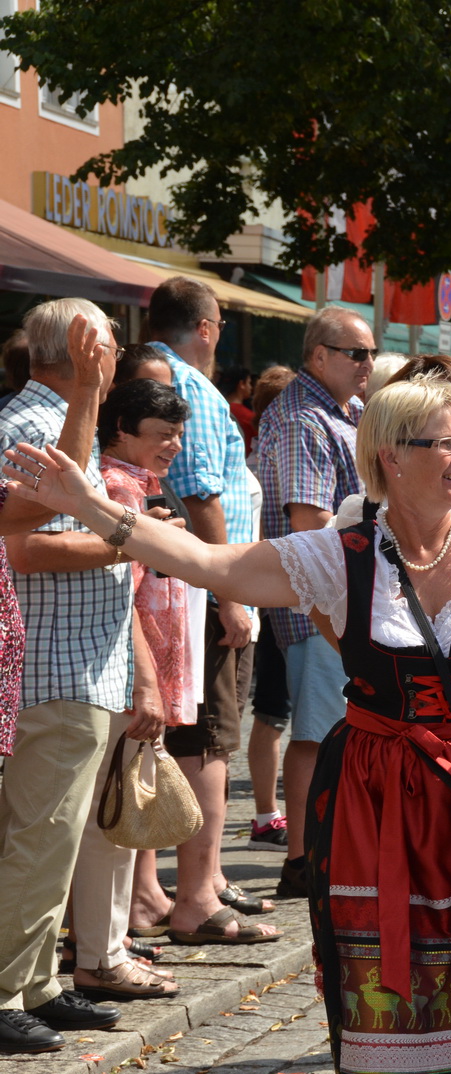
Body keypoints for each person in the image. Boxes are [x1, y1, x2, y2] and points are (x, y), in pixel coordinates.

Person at [6, 372, 451, 1074]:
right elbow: (210, 563)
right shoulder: (339, 554)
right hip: (379, 805)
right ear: (390, 458)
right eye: (443, 442)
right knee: (386, 1011)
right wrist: (99, 509)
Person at [0, 301, 139, 1053]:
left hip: (73, 659)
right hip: (55, 663)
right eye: (108, 341)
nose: (117, 354)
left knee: (50, 836)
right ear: (77, 351)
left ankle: (36, 981)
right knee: (40, 833)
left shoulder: (54, 419)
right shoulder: (34, 425)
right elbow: (28, 545)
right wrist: (132, 540)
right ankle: (7, 988)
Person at [146, 277, 267, 938]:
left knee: (205, 737)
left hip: (191, 587)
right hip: (202, 590)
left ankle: (207, 879)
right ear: (207, 326)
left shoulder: (169, 379)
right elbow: (203, 500)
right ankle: (197, 890)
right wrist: (231, 592)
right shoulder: (191, 388)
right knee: (211, 739)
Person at [76, 379, 204, 1001]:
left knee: (118, 812)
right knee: (113, 817)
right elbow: (120, 601)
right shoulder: (119, 488)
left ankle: (108, 942)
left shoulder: (133, 489)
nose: (173, 446)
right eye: (161, 435)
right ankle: (101, 952)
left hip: (132, 674)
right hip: (127, 676)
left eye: (178, 434)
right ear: (122, 430)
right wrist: (147, 683)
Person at [255, 305, 371, 901]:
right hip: (320, 601)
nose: (368, 364)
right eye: (358, 353)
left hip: (336, 597)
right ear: (319, 355)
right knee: (317, 734)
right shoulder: (304, 419)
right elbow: (311, 524)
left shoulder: (338, 413)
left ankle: (319, 854)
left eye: (371, 353)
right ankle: (305, 859)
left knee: (329, 730)